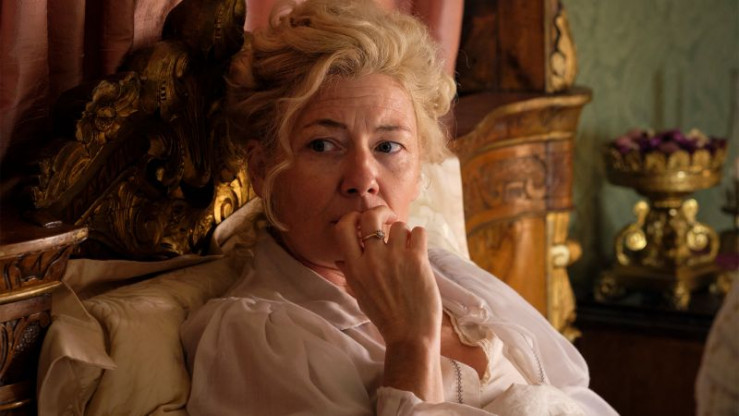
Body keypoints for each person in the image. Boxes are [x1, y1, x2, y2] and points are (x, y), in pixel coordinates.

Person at [181, 1, 617, 414]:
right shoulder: (254, 336)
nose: (362, 178)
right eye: (323, 145)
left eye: (388, 146)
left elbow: (577, 395)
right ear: (262, 169)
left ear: (419, 167)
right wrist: (411, 342)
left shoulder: (448, 275)